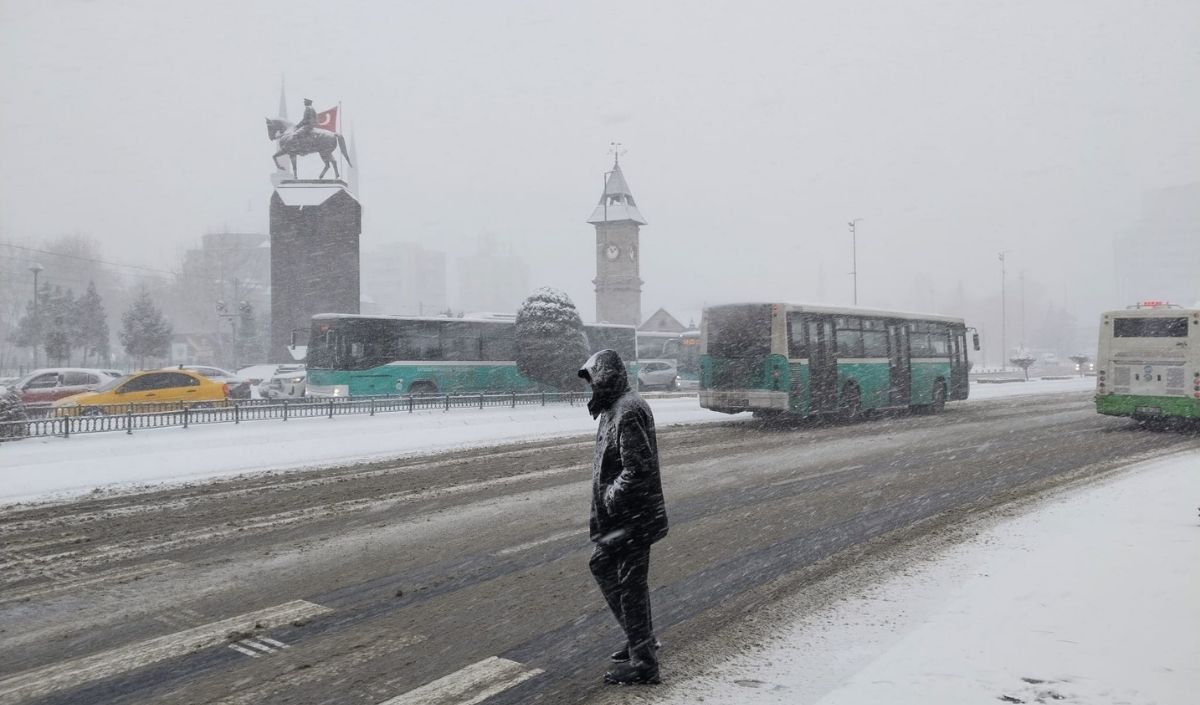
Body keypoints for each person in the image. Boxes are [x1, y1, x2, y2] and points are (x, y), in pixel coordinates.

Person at [578, 349, 668, 686]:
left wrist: (610, 498)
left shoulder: (627, 410)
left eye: (594, 380)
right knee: (606, 568)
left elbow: (637, 468)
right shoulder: (615, 407)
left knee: (630, 586)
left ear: (607, 378)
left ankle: (644, 665)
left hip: (632, 518)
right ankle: (640, 638)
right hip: (626, 517)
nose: (591, 388)